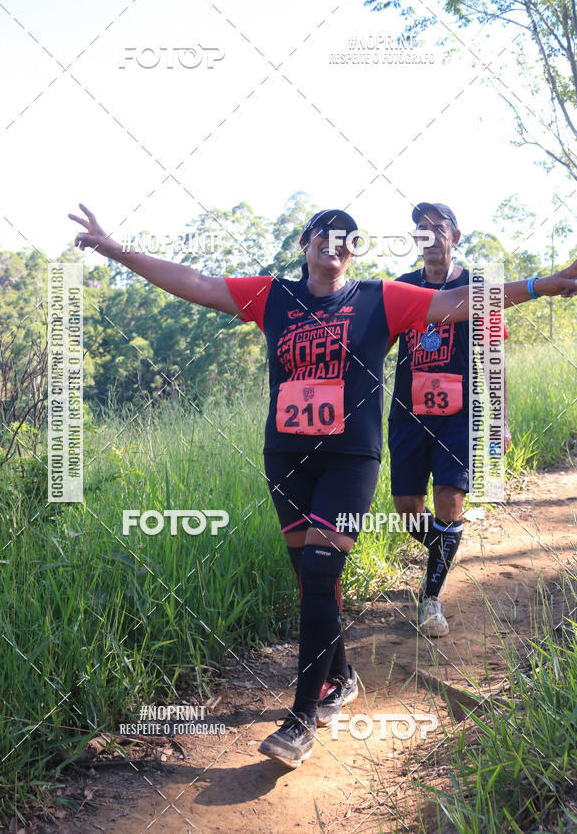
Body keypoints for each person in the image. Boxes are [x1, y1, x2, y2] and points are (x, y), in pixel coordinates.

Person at [69, 202, 577, 769]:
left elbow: (461, 303)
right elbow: (195, 282)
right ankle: (342, 676)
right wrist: (116, 249)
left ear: (354, 251)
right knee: (312, 582)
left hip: (350, 460)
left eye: (347, 240)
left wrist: (546, 284)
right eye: (324, 237)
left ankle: (301, 719)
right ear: (306, 243)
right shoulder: (272, 297)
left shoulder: (379, 299)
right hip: (286, 457)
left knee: (320, 569)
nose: (334, 247)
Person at [387, 202, 509, 637]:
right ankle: (447, 540)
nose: (430, 235)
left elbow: (494, 357)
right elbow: (372, 346)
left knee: (450, 504)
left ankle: (430, 598)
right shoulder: (400, 288)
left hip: (457, 414)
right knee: (406, 511)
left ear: (455, 237)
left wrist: (501, 421)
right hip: (407, 413)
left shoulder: (479, 288)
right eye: (421, 229)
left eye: (439, 227)